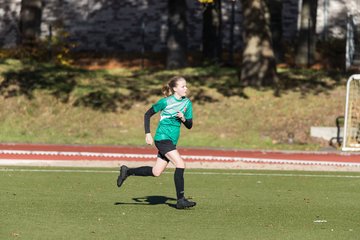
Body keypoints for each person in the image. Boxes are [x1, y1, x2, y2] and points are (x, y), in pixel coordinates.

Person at [116, 76, 196, 209]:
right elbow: (147, 114)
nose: (186, 88)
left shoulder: (187, 103)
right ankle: (180, 200)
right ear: (175, 89)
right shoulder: (165, 102)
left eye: (186, 86)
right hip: (162, 139)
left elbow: (189, 125)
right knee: (180, 164)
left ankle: (127, 172)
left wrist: (183, 118)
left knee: (156, 172)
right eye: (183, 86)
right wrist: (148, 134)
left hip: (171, 141)